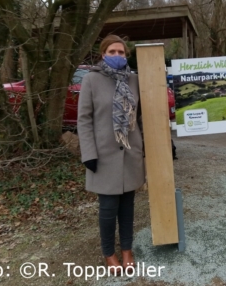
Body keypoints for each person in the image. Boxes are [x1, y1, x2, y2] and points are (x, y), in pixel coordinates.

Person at [78, 35, 145, 275]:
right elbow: (84, 120)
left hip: (130, 154)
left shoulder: (134, 80)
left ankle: (127, 250)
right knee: (108, 210)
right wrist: (88, 153)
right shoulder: (91, 80)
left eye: (122, 52)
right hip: (103, 155)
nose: (118, 56)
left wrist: (144, 146)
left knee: (128, 207)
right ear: (103, 53)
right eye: (113, 51)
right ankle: (109, 253)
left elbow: (139, 117)